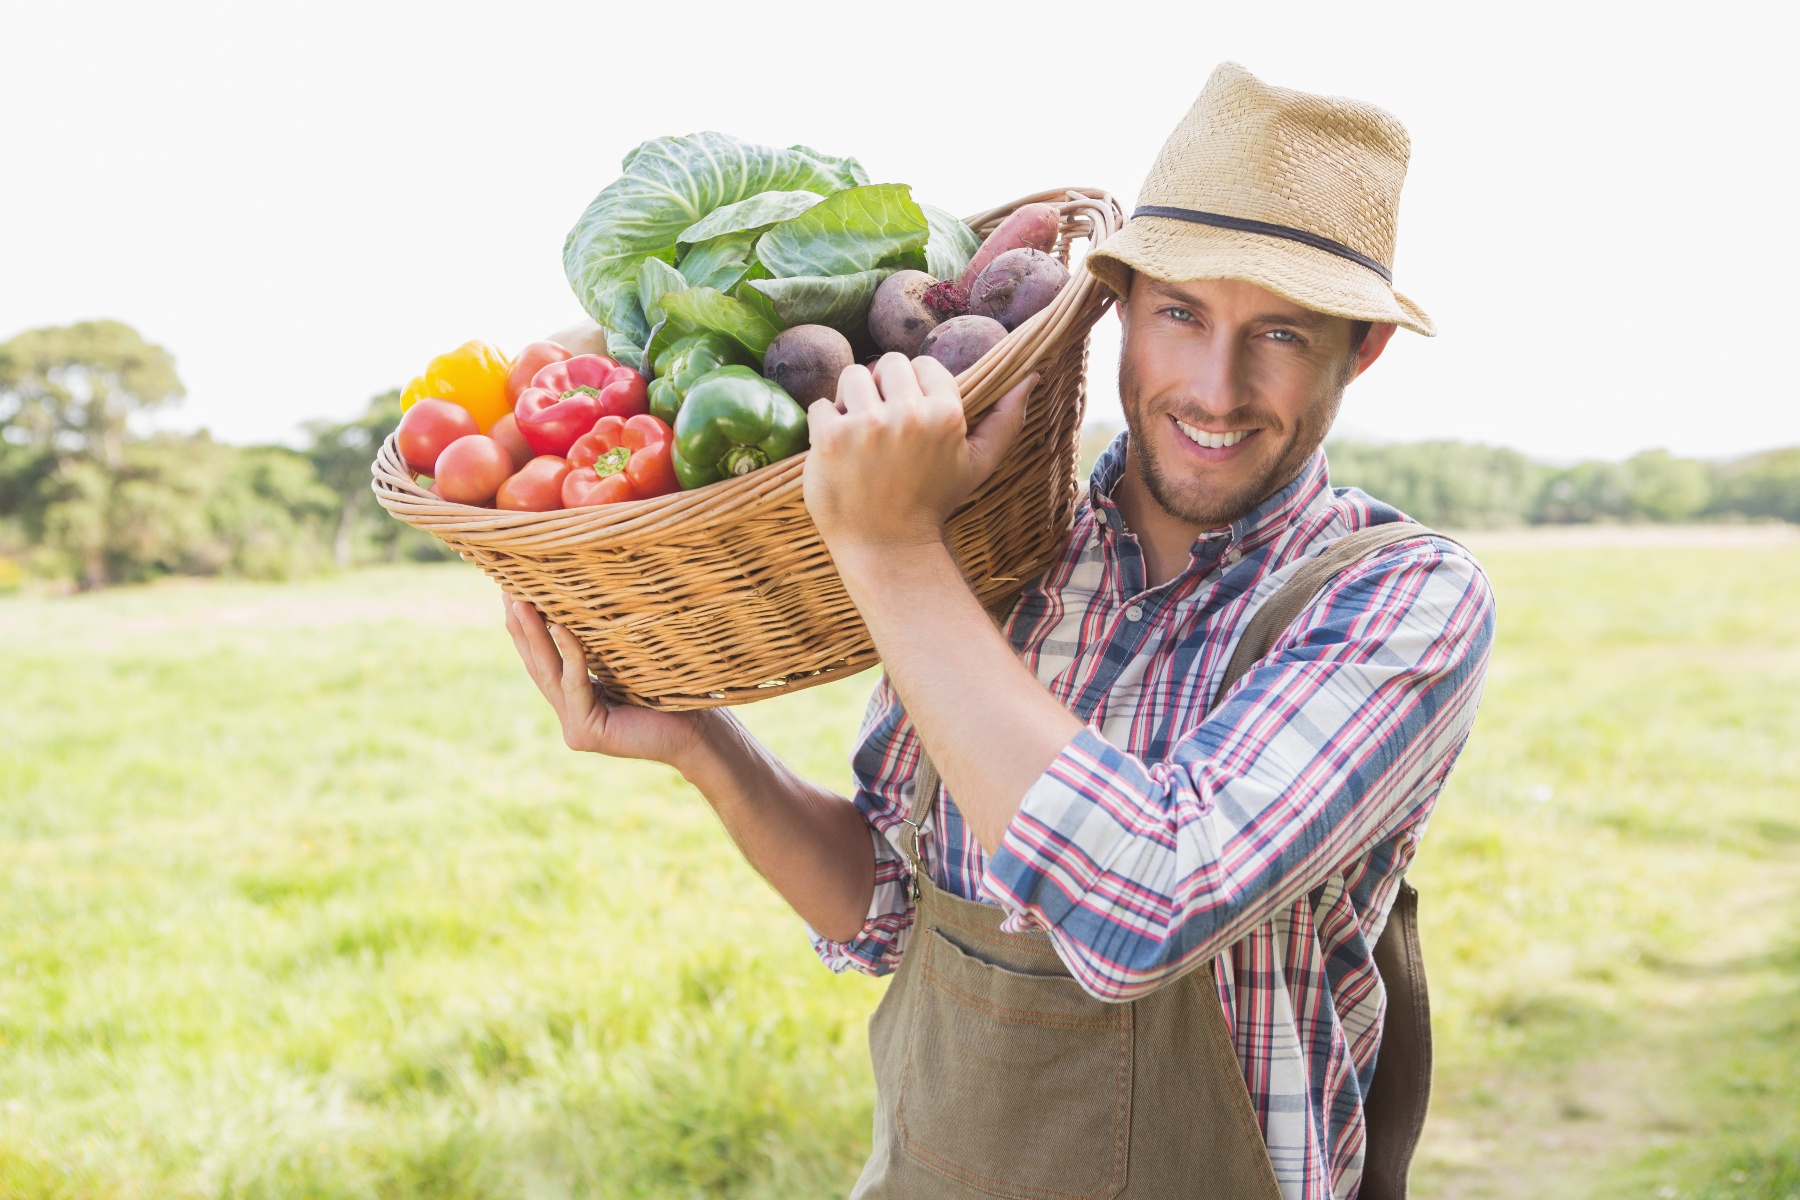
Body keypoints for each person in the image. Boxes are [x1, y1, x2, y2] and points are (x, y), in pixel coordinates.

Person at [504, 62, 1494, 1200]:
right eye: (1181, 314)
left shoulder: (1399, 599)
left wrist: (893, 551)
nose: (1216, 389)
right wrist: (699, 739)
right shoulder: (999, 552)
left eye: (1280, 333)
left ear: (1360, 349)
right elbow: (888, 908)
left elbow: (1148, 904)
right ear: (1117, 307)